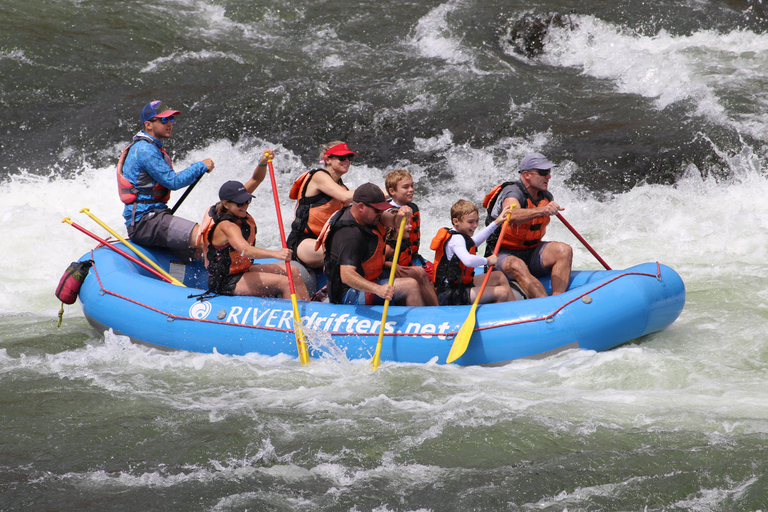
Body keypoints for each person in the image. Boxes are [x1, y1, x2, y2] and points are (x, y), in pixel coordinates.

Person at [117, 100, 215, 259]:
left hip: (155, 216)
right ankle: (231, 280)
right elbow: (173, 182)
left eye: (171, 119)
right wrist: (201, 166)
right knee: (209, 238)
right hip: (145, 222)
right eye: (164, 120)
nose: (169, 123)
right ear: (148, 125)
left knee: (199, 253)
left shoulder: (152, 147)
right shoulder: (145, 149)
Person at [200, 179, 310, 300]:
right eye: (240, 203)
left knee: (293, 271)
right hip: (225, 279)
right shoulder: (227, 226)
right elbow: (245, 250)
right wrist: (276, 254)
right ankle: (293, 316)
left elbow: (256, 178)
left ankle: (310, 311)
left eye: (247, 201)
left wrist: (262, 162)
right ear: (226, 204)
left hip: (242, 269)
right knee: (285, 283)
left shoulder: (237, 211)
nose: (245, 205)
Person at [319, 183, 426, 306]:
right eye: (377, 210)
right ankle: (418, 323)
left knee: (419, 273)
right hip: (349, 293)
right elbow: (347, 276)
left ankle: (437, 312)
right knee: (410, 286)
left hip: (371, 277)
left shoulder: (371, 216)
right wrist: (377, 289)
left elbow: (394, 221)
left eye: (382, 209)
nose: (381, 213)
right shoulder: (350, 235)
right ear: (361, 206)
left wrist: (402, 214)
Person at [483, 152, 573, 298]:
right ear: (526, 175)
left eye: (549, 172)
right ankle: (546, 305)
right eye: (543, 173)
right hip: (501, 254)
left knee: (564, 250)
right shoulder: (512, 192)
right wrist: (543, 210)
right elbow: (510, 214)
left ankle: (558, 301)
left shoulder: (545, 196)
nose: (548, 176)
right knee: (516, 265)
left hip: (531, 252)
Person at [285, 141, 357, 270]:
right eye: (342, 157)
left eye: (349, 158)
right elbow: (345, 196)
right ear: (327, 160)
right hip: (303, 242)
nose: (347, 161)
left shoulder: (342, 187)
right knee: (343, 251)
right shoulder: (318, 176)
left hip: (326, 242)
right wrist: (386, 191)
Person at [430, 200, 516, 305]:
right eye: (471, 222)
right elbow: (468, 260)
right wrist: (487, 260)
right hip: (450, 294)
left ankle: (513, 308)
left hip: (460, 285)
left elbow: (474, 242)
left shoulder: (460, 235)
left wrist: (497, 222)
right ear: (456, 221)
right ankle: (496, 318)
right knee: (501, 292)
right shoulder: (456, 240)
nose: (475, 225)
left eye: (477, 221)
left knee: (498, 276)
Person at [383, 169, 438, 306]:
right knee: (422, 276)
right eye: (405, 187)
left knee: (437, 275)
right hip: (394, 264)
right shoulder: (386, 214)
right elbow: (379, 253)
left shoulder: (413, 207)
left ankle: (435, 301)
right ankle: (434, 309)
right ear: (392, 191)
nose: (411, 190)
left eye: (412, 186)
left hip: (411, 257)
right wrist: (392, 265)